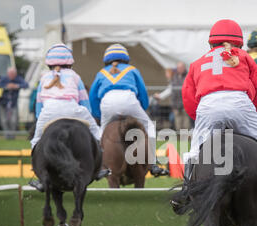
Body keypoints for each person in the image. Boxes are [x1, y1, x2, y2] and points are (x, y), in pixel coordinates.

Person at [170, 19, 257, 211]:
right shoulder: (244, 57)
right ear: (239, 43)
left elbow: (189, 98)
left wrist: (199, 116)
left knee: (193, 151)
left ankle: (186, 192)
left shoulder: (197, 63)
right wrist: (254, 117)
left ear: (211, 43)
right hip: (240, 103)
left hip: (208, 107)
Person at [29, 43, 109, 191]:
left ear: (49, 63)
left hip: (49, 111)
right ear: (70, 62)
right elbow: (85, 102)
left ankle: (38, 174)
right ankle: (100, 168)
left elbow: (39, 106)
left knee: (36, 140)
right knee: (97, 134)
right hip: (74, 109)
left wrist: (42, 118)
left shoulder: (44, 77)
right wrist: (87, 114)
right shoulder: (75, 76)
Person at [89, 44, 168, 177]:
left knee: (101, 131)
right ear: (125, 58)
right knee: (149, 125)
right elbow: (142, 92)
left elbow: (93, 96)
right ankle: (153, 163)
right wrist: (142, 108)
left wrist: (98, 114)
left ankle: (100, 164)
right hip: (128, 100)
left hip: (107, 102)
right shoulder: (132, 70)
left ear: (106, 60)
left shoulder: (101, 73)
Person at [154, 61, 192, 130]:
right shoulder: (174, 77)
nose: (179, 69)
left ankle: (186, 137)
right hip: (176, 104)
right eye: (178, 68)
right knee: (177, 122)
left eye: (181, 68)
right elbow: (169, 89)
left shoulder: (188, 76)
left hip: (186, 104)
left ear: (184, 68)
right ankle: (179, 137)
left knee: (186, 123)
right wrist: (160, 96)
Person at [0, 67, 29, 140]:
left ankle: (12, 136)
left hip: (13, 103)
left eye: (13, 74)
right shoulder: (4, 78)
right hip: (3, 103)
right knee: (4, 121)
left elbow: (26, 85)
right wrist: (6, 86)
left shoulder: (18, 79)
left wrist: (16, 86)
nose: (11, 75)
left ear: (15, 74)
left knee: (13, 121)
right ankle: (7, 136)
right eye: (10, 74)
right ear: (8, 73)